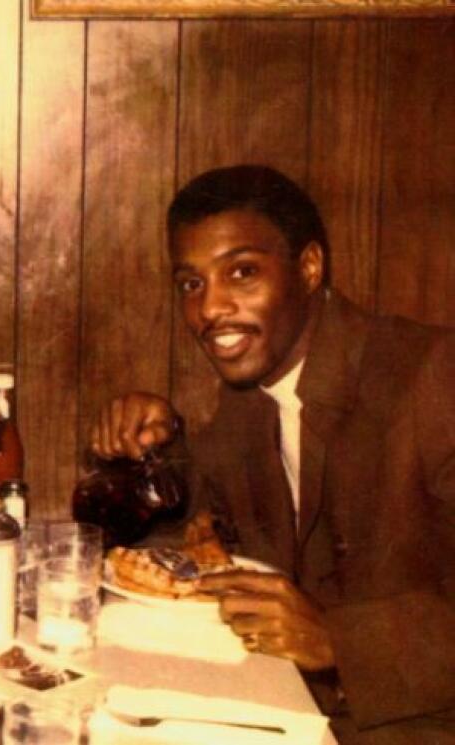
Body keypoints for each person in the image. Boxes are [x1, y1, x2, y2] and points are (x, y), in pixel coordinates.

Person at [90, 165, 455, 743]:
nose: (210, 310)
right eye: (191, 283)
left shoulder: (433, 374)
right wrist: (151, 447)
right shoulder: (249, 401)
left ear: (308, 268)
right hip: (293, 713)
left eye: (241, 272)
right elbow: (191, 543)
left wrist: (339, 640)